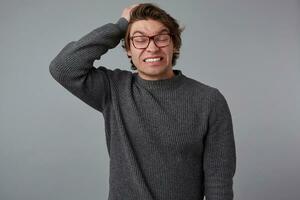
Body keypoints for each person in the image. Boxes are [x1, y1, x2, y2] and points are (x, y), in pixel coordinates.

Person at [49, 3, 236, 200]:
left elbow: (219, 183)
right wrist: (119, 26)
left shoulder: (209, 100)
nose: (152, 47)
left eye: (161, 38)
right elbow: (63, 68)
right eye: (139, 40)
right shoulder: (114, 89)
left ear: (175, 44)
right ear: (128, 49)